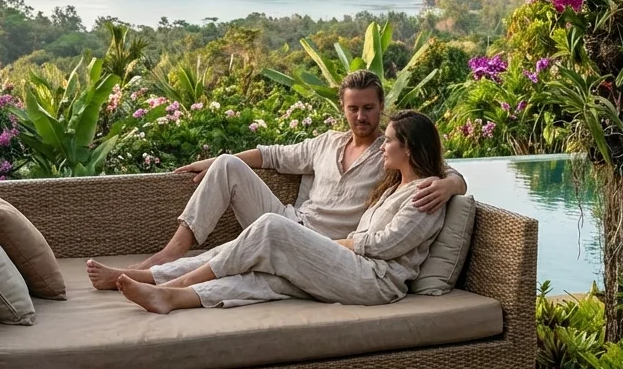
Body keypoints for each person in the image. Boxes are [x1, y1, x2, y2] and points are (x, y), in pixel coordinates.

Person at [86, 70, 465, 290]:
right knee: (227, 165)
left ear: (381, 107)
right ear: (343, 108)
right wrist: (210, 162)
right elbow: (270, 155)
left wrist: (450, 186)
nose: (361, 116)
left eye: (369, 108)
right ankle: (170, 254)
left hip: (329, 246)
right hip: (289, 219)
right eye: (353, 108)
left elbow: (439, 170)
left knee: (237, 248)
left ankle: (152, 279)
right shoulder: (326, 143)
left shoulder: (392, 151)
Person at [107, 110, 449, 313]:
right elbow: (273, 154)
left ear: (410, 148)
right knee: (264, 279)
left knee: (270, 227)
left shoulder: (426, 194)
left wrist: (342, 244)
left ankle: (177, 280)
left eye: (390, 141)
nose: (383, 146)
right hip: (350, 265)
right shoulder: (392, 184)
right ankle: (170, 294)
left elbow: (387, 245)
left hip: (374, 282)